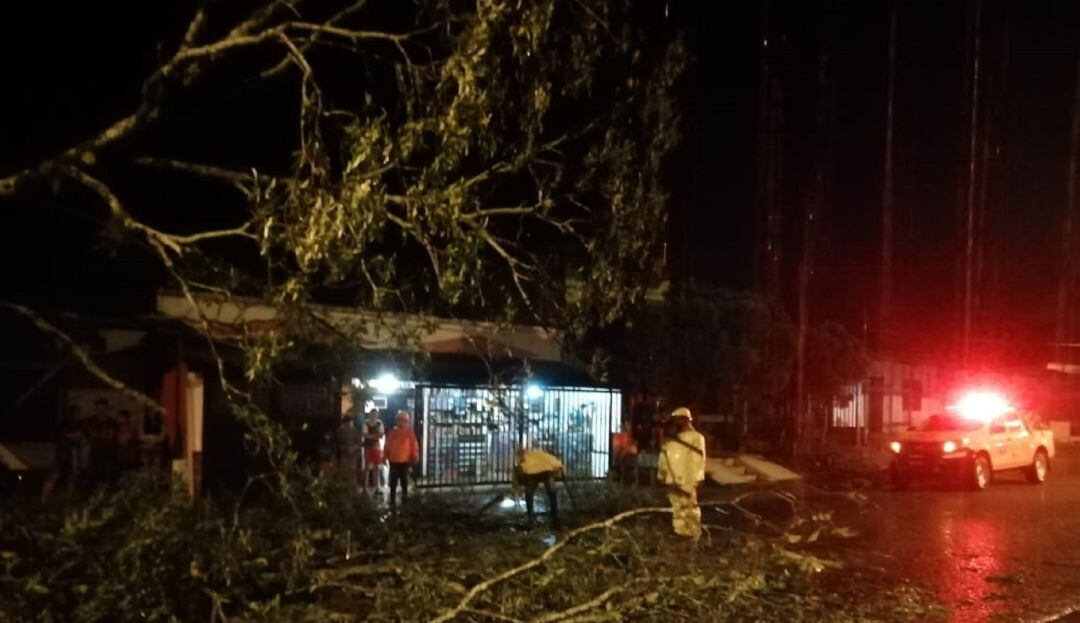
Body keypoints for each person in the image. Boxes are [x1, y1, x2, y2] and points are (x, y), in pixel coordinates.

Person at [657, 407, 706, 540]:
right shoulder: (671, 439)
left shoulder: (696, 437)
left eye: (678, 420)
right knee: (676, 506)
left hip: (687, 479)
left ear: (685, 420)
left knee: (690, 506)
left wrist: (697, 478)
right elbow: (664, 457)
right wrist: (662, 473)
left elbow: (698, 459)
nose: (676, 423)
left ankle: (693, 533)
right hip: (673, 478)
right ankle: (681, 532)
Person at [42, 416, 89, 500]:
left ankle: (69, 498)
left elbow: (82, 448)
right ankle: (44, 498)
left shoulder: (79, 437)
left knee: (72, 478)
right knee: (54, 477)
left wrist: (81, 461)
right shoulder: (64, 436)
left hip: (70, 459)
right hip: (62, 458)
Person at [513, 447, 563, 527]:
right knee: (552, 493)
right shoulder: (543, 455)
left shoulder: (525, 459)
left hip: (532, 473)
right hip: (546, 471)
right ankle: (555, 518)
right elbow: (558, 465)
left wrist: (515, 489)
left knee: (529, 493)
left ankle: (530, 518)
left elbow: (519, 473)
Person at [383, 411, 419, 507]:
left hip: (404, 461)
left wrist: (415, 457)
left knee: (404, 481)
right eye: (400, 420)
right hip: (394, 461)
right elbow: (387, 446)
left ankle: (404, 498)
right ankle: (393, 499)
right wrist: (384, 457)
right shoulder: (393, 433)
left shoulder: (409, 433)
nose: (402, 422)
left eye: (404, 420)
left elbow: (413, 447)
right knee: (393, 481)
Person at [87, 398, 118, 484]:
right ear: (96, 409)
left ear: (106, 409)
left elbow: (111, 436)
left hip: (108, 453)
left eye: (103, 408)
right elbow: (89, 433)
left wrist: (95, 434)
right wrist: (103, 434)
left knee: (107, 478)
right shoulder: (90, 420)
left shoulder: (112, 421)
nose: (101, 410)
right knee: (94, 478)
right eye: (99, 408)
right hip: (94, 452)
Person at [361, 408, 386, 495]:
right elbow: (365, 435)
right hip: (368, 448)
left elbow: (381, 435)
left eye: (375, 414)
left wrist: (370, 436)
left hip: (376, 448)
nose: (374, 416)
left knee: (376, 467)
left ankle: (376, 487)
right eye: (372, 414)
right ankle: (365, 488)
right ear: (370, 415)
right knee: (367, 468)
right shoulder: (366, 423)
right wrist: (375, 436)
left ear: (377, 415)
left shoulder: (379, 423)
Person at [336, 415, 362, 493]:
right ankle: (344, 489)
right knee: (344, 471)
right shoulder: (339, 431)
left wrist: (353, 448)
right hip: (344, 454)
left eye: (350, 422)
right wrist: (344, 448)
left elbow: (359, 442)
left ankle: (353, 489)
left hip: (353, 454)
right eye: (347, 423)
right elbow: (337, 443)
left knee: (353, 471)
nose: (348, 424)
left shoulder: (355, 430)